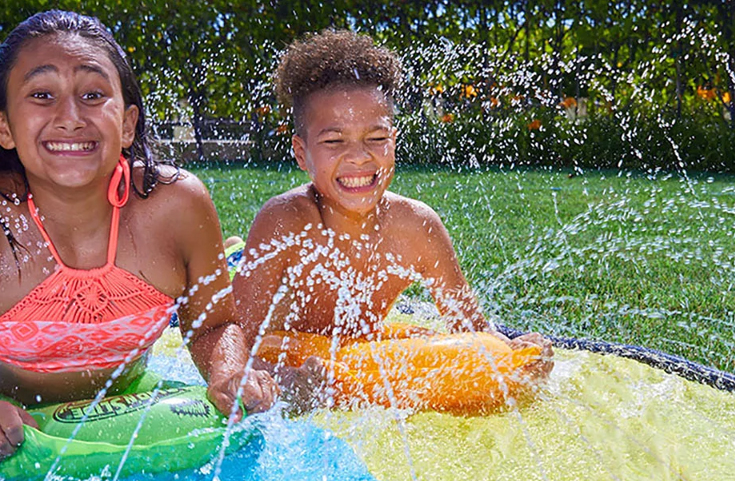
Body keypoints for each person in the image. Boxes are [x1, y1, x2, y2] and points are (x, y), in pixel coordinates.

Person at [0, 10, 277, 469]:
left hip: (118, 392)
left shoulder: (178, 205)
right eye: (42, 95)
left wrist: (228, 371)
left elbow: (213, 326)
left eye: (93, 95)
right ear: (3, 126)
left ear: (126, 122)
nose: (70, 117)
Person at [232, 29, 552, 411]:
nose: (359, 157)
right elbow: (238, 341)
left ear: (394, 141)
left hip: (361, 351)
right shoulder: (284, 222)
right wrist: (279, 381)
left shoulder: (417, 226)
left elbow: (471, 332)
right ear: (302, 154)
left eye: (376, 138)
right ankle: (232, 256)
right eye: (334, 141)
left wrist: (511, 358)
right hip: (287, 348)